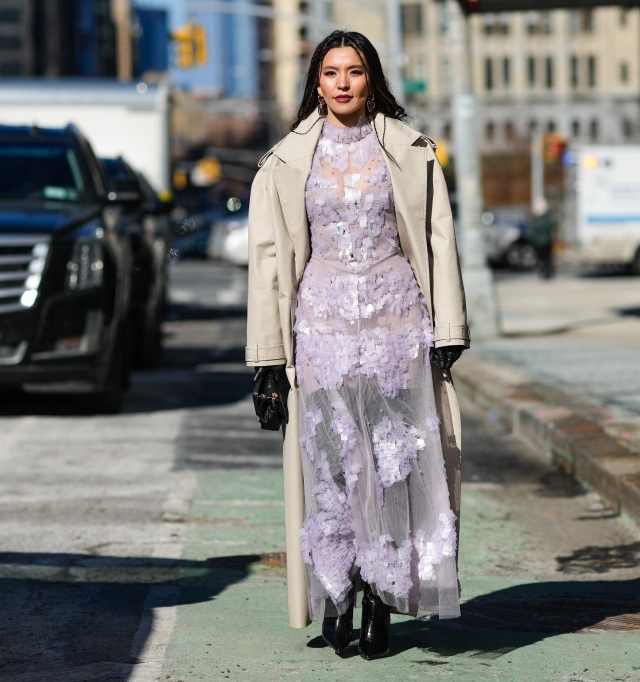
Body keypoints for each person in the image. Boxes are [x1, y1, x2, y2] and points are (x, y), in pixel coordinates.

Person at [246, 30, 469, 661]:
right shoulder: (285, 161)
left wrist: (447, 329)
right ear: (315, 83)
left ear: (372, 80)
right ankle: (335, 590)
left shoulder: (411, 151)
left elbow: (439, 239)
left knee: (392, 466)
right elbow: (268, 264)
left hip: (397, 327)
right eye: (331, 72)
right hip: (320, 331)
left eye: (356, 71)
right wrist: (266, 361)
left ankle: (381, 598)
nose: (343, 82)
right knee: (333, 465)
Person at [528, 195, 555, 279]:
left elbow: (534, 229)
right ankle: (546, 271)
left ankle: (545, 271)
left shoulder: (539, 219)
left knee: (543, 259)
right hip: (544, 241)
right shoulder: (546, 218)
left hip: (541, 242)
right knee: (546, 259)